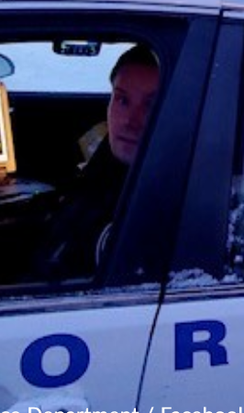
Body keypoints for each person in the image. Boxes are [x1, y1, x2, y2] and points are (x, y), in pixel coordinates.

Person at [40, 45, 160, 280]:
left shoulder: (159, 204)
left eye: (150, 105)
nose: (130, 121)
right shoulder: (106, 170)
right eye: (122, 100)